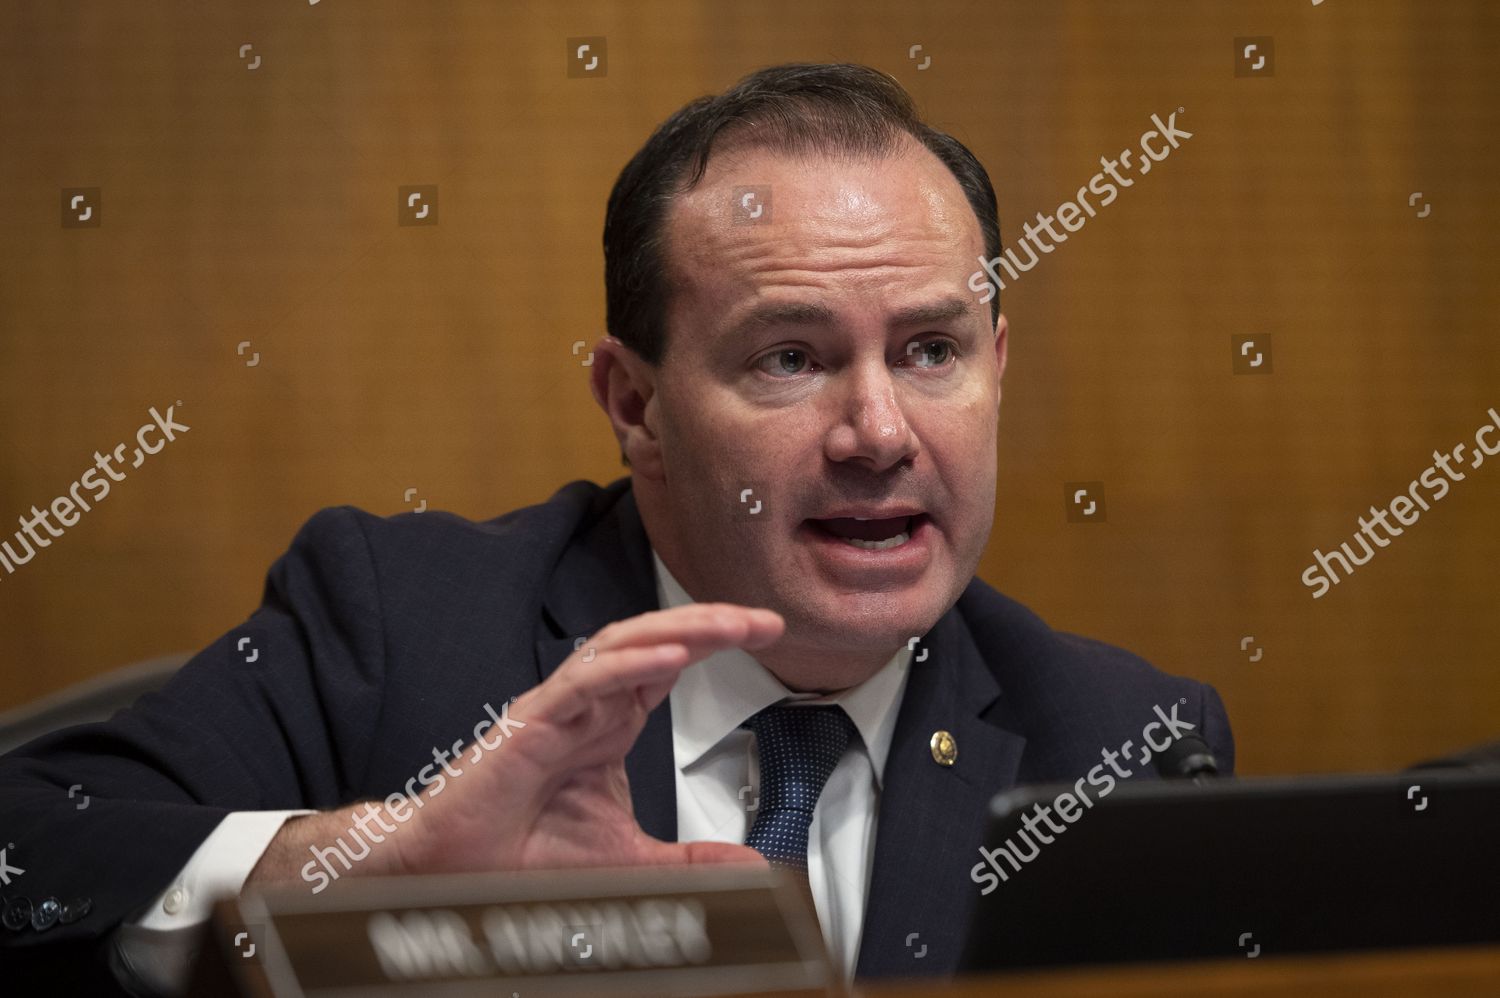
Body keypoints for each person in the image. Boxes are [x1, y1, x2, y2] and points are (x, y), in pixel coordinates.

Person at [0, 62, 1233, 993]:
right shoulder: (399, 630)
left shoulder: (1124, 745)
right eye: (792, 356)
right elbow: (32, 843)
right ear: (634, 404)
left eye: (931, 350)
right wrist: (351, 872)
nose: (880, 430)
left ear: (998, 367)